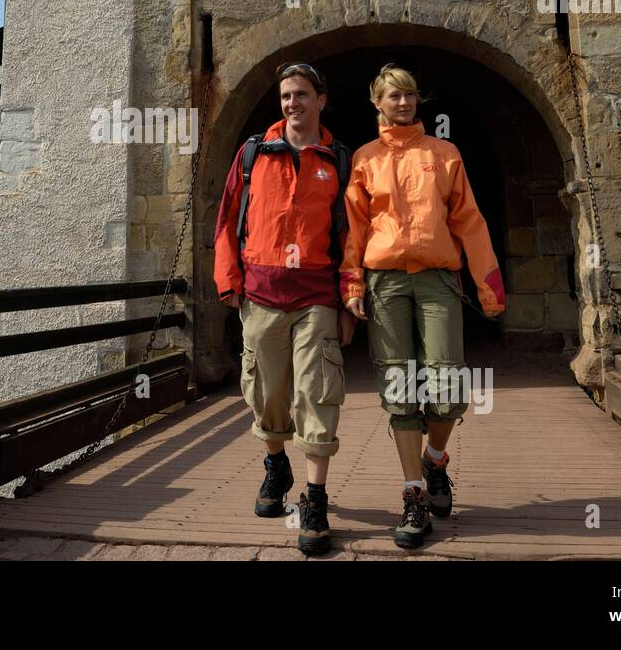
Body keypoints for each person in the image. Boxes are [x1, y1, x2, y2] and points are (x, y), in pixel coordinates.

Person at [341, 63, 505, 548]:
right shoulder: (365, 160)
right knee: (398, 383)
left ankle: (436, 459)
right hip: (386, 281)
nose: (404, 103)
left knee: (448, 384)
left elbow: (470, 222)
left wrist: (488, 286)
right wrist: (352, 284)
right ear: (377, 102)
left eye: (410, 95)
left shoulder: (444, 153)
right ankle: (413, 492)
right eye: (393, 96)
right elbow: (354, 229)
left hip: (437, 278)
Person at [213, 62, 356, 555]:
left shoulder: (338, 159)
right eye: (285, 96)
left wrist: (349, 301)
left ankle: (314, 500)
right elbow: (227, 217)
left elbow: (349, 236)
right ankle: (276, 464)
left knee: (318, 392)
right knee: (267, 394)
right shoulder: (253, 154)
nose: (292, 103)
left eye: (300, 94)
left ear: (321, 100)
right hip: (261, 294)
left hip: (316, 294)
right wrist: (228, 281)